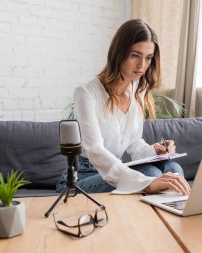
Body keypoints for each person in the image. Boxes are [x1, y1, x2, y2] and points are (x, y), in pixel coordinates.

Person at [56, 19, 191, 195]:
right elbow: (95, 151)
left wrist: (154, 150)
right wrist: (146, 183)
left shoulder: (138, 89)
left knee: (171, 168)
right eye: (135, 55)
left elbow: (133, 143)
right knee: (150, 174)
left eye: (148, 57)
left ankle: (173, 211)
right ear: (119, 53)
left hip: (115, 170)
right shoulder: (87, 93)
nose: (142, 65)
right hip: (82, 175)